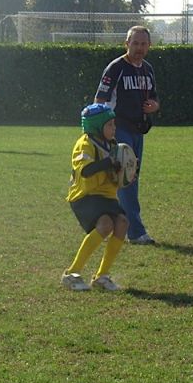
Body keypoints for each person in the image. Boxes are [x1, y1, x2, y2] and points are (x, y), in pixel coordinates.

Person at [94, 25, 160, 245]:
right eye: (135, 43)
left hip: (138, 130)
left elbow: (154, 98)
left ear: (149, 45)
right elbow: (99, 100)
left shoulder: (148, 69)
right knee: (127, 177)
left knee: (127, 178)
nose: (139, 48)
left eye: (143, 44)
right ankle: (136, 231)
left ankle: (112, 222)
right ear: (126, 44)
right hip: (118, 128)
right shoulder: (116, 68)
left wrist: (154, 106)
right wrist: (104, 132)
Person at [62, 103, 129, 291]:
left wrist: (128, 170)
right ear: (96, 127)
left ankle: (101, 276)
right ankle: (71, 274)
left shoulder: (114, 145)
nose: (114, 128)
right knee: (106, 225)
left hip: (106, 195)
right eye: (109, 125)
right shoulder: (85, 144)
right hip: (85, 195)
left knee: (122, 222)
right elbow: (86, 171)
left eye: (114, 124)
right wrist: (109, 162)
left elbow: (120, 175)